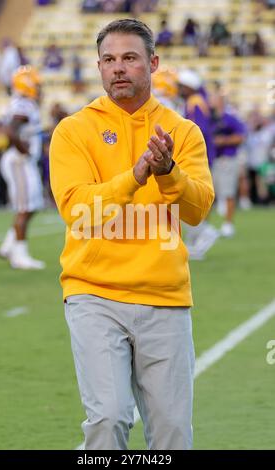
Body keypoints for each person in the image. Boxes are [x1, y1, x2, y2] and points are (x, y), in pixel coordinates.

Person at [50, 18, 214, 450]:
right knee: (108, 419)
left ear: (153, 63)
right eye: (108, 60)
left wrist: (169, 174)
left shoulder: (182, 132)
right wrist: (136, 175)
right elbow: (78, 212)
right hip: (94, 293)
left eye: (129, 58)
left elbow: (198, 210)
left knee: (173, 434)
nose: (118, 68)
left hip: (165, 296)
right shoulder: (73, 130)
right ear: (98, 67)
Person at [0, 66, 45, 269]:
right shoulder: (24, 104)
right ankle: (19, 255)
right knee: (25, 207)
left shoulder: (24, 103)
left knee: (32, 206)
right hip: (19, 161)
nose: (39, 88)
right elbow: (11, 130)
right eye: (36, 83)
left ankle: (9, 246)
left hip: (21, 161)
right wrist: (23, 151)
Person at [177, 69, 219, 260]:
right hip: (200, 157)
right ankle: (195, 243)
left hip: (195, 158)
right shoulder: (197, 102)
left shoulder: (195, 103)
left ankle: (204, 232)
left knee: (186, 198)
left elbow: (196, 131)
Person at [210, 89, 247, 237]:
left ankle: (228, 224)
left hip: (227, 158)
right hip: (212, 159)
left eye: (214, 99)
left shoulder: (230, 118)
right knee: (210, 193)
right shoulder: (209, 118)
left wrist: (224, 141)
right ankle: (206, 225)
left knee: (228, 192)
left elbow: (241, 136)